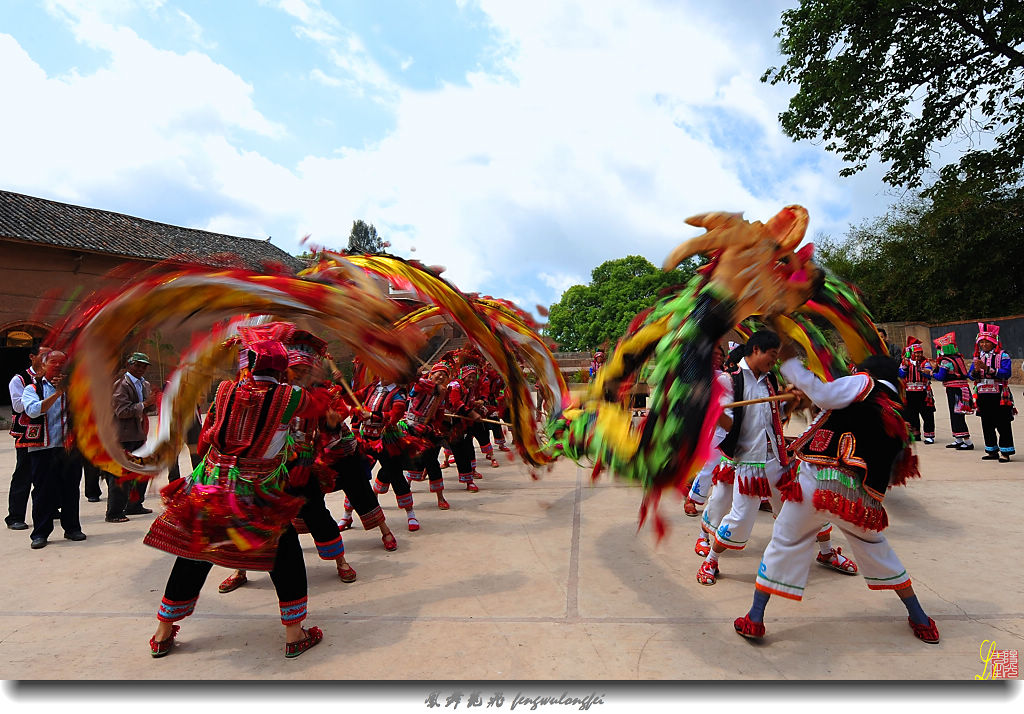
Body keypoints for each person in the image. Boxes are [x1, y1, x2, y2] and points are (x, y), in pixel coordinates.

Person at [734, 346, 939, 645]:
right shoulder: (894, 404)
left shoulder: (863, 383)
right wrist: (804, 396)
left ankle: (754, 618)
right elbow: (835, 412)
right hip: (858, 500)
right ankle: (920, 618)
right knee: (877, 548)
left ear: (867, 372)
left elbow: (827, 396)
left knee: (783, 542)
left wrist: (792, 364)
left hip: (818, 484)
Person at [143, 340, 328, 658]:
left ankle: (162, 633)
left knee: (194, 552)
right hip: (257, 492)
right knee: (284, 557)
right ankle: (294, 634)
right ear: (283, 369)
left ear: (249, 365)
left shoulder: (226, 389)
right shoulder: (291, 396)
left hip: (211, 487)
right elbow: (315, 410)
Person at [695, 331, 855, 585]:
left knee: (806, 506)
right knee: (740, 518)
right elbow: (727, 423)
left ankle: (826, 553)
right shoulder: (730, 380)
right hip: (749, 465)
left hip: (778, 459)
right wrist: (714, 411)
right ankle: (711, 560)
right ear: (756, 350)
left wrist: (792, 402)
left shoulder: (769, 378)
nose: (774, 361)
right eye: (772, 356)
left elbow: (775, 416)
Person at [217, 325, 357, 593]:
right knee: (248, 521)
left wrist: (330, 424)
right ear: (284, 370)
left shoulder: (315, 396)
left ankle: (340, 561)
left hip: (301, 468)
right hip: (260, 472)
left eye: (307, 372)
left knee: (317, 514)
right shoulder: (266, 395)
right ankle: (241, 568)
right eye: (298, 371)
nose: (303, 376)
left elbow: (329, 429)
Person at [20, 350, 86, 549]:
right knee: (43, 491)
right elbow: (33, 410)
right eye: (54, 363)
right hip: (43, 448)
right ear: (44, 365)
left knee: (71, 489)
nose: (58, 367)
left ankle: (72, 528)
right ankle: (40, 533)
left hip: (69, 448)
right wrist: (58, 394)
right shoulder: (32, 387)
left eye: (62, 363)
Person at [104, 353, 156, 522]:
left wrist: (149, 404)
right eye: (138, 365)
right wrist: (145, 404)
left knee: (142, 470)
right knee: (120, 474)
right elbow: (122, 411)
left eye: (144, 366)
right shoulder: (121, 385)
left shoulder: (144, 384)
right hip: (123, 436)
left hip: (138, 434)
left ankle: (134, 505)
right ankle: (114, 512)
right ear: (129, 365)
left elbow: (146, 409)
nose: (141, 369)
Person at [7, 344, 49, 530]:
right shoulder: (20, 379)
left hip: (50, 431)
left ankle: (49, 508)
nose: (48, 358)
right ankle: (15, 515)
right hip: (28, 433)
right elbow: (17, 407)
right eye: (44, 355)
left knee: (48, 473)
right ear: (32, 357)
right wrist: (40, 397)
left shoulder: (54, 377)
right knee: (24, 474)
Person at [969, 323, 1015, 462]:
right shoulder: (977, 357)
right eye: (981, 342)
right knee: (987, 423)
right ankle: (991, 450)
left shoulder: (1003, 356)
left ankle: (1005, 452)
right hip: (983, 394)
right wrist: (976, 371)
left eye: (987, 342)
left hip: (999, 394)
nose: (984, 344)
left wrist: (988, 369)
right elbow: (970, 375)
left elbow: (1006, 373)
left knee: (1002, 423)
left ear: (994, 342)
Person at [932, 332, 975, 450]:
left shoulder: (945, 361)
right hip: (962, 388)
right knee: (957, 414)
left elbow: (940, 376)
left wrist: (931, 372)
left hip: (955, 390)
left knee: (957, 415)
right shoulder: (959, 358)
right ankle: (958, 439)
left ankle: (968, 441)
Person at [898, 338, 936, 444]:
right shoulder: (905, 362)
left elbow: (927, 374)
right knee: (911, 414)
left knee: (927, 413)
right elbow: (901, 374)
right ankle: (915, 433)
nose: (918, 355)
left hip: (923, 392)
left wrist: (920, 368)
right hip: (909, 392)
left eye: (920, 352)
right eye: (916, 353)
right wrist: (905, 365)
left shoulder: (925, 362)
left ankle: (929, 434)